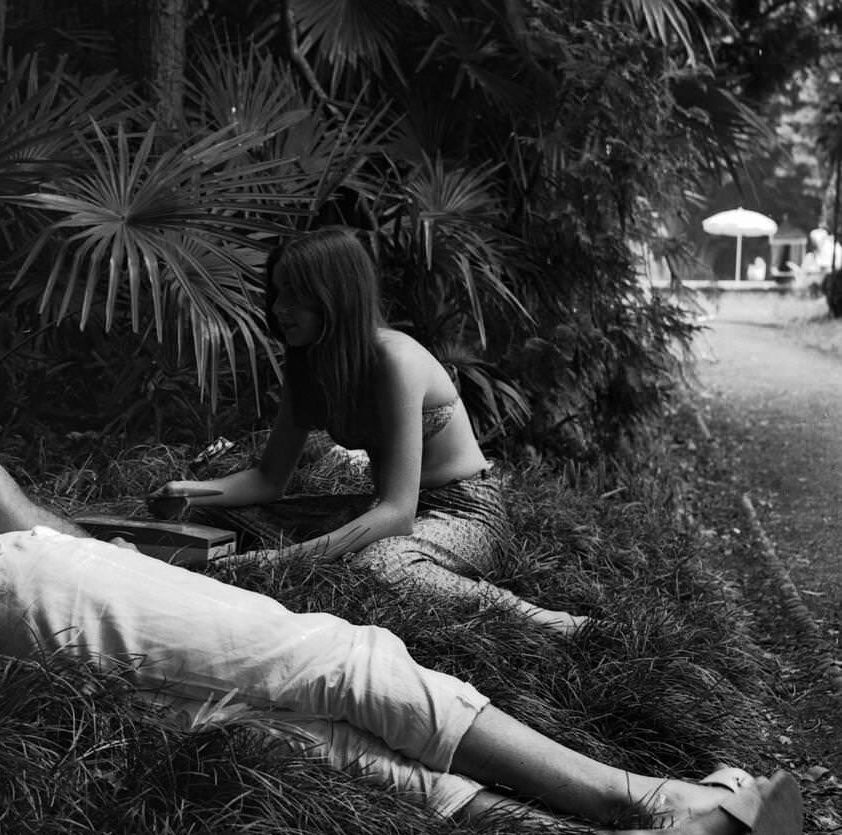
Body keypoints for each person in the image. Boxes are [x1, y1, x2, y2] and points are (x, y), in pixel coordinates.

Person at [0, 264, 801, 835]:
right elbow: (17, 528)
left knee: (328, 745)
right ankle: (653, 800)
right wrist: (114, 554)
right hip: (6, 583)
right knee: (334, 655)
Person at [150, 227, 586, 634]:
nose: (280, 308)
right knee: (215, 517)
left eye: (295, 295)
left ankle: (542, 619)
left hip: (462, 512)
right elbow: (268, 480)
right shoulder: (308, 367)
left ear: (334, 295)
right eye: (278, 293)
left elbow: (398, 513)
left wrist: (284, 559)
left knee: (380, 565)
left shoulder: (396, 361)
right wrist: (191, 491)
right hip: (380, 506)